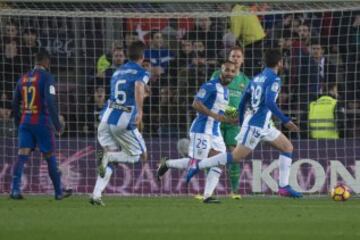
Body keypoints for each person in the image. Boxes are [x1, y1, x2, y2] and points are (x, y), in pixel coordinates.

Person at [186, 49, 303, 198]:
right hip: (256, 125)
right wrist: (286, 120)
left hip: (264, 124)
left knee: (287, 147)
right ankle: (198, 164)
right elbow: (269, 102)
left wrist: (241, 121)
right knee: (235, 157)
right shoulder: (274, 79)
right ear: (279, 63)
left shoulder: (256, 78)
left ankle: (283, 187)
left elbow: (242, 103)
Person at [156, 61, 237, 203]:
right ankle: (167, 164)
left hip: (215, 131)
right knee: (197, 163)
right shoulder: (210, 86)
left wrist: (231, 116)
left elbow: (219, 109)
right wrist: (214, 115)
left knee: (220, 161)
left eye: (232, 71)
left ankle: (207, 196)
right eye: (227, 70)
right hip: (201, 130)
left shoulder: (226, 90)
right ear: (221, 71)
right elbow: (196, 103)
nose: (229, 73)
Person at [90, 41, 149, 206]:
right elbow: (138, 86)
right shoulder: (142, 71)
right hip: (123, 119)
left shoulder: (116, 72)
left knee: (111, 162)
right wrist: (140, 110)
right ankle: (109, 155)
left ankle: (96, 194)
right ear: (143, 56)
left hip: (106, 119)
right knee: (137, 156)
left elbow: (121, 92)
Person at [10, 51, 71, 200]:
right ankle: (58, 192)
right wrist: (57, 125)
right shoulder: (47, 77)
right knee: (49, 155)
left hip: (25, 122)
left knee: (22, 154)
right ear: (47, 63)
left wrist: (19, 122)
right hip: (41, 122)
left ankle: (15, 190)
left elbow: (14, 102)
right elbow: (50, 101)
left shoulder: (23, 78)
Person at [210, 46, 250, 199]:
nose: (235, 59)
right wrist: (233, 113)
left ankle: (233, 191)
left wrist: (242, 117)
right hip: (218, 120)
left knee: (235, 155)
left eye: (238, 56)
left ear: (243, 60)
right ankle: (211, 190)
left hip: (234, 124)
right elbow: (212, 96)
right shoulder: (217, 75)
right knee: (214, 155)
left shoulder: (246, 81)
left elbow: (248, 104)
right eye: (233, 56)